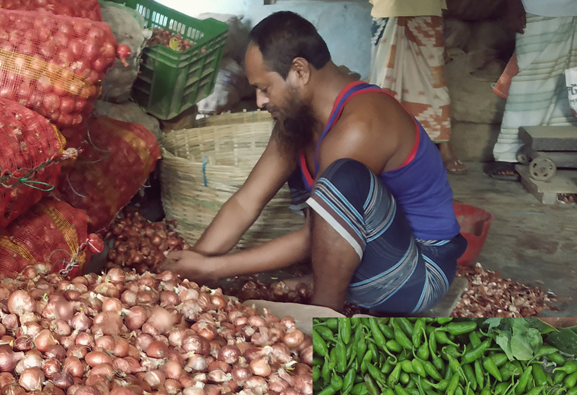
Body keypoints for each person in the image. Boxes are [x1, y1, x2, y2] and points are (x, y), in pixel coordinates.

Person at [160, 11, 467, 315]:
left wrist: (214, 269)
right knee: (324, 179)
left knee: (343, 179)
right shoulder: (297, 121)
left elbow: (316, 234)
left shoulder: (362, 124)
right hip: (368, 260)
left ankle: (324, 318)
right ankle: (328, 287)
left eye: (264, 88)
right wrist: (188, 266)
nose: (259, 101)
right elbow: (246, 202)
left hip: (417, 274)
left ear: (299, 72)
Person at [369, 0, 467, 174]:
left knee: (434, 78)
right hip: (388, 7)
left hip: (427, 6)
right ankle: (383, 145)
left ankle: (443, 146)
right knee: (385, 79)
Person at [487, 0, 577, 181]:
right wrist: (512, 4)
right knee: (528, 82)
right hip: (536, 8)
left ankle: (555, 153)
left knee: (567, 85)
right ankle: (508, 153)